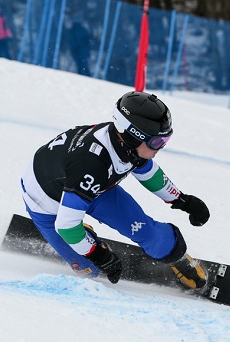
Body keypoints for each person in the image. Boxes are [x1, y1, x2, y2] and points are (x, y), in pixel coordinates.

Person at [20, 91, 210, 290]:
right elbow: (66, 226)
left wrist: (182, 200)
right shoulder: (93, 164)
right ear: (133, 136)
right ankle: (83, 234)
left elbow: (147, 172)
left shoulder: (125, 144)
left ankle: (177, 259)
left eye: (165, 140)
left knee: (154, 237)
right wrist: (99, 256)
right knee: (90, 270)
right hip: (47, 203)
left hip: (93, 188)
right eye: (157, 142)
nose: (160, 147)